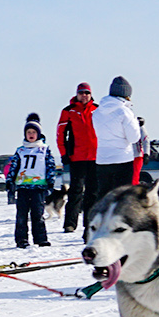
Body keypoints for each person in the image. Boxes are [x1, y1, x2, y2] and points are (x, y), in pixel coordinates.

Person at [83, 76, 145, 232]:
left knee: (103, 197)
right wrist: (136, 125)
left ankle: (94, 229)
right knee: (122, 198)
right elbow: (134, 137)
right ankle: (119, 230)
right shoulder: (124, 112)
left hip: (102, 160)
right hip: (122, 159)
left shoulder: (97, 113)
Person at [6, 116, 56, 248]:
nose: (31, 135)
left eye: (34, 132)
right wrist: (10, 181)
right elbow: (14, 166)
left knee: (38, 214)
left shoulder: (44, 149)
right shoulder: (20, 150)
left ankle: (41, 239)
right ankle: (21, 239)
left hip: (38, 187)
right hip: (23, 187)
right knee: (21, 215)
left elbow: (50, 166)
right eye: (28, 132)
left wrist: (51, 181)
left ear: (38, 134)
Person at [56, 81, 100, 231]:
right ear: (77, 94)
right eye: (81, 93)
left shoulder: (98, 110)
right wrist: (64, 154)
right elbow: (61, 134)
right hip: (77, 157)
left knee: (92, 192)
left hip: (95, 157)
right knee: (76, 191)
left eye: (87, 93)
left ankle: (90, 223)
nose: (84, 95)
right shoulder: (68, 111)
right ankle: (70, 223)